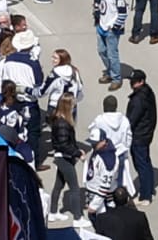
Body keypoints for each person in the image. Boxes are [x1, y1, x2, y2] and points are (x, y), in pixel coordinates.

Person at [48, 92, 86, 224]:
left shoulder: (60, 120)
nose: (74, 107)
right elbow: (64, 144)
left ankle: (53, 212)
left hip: (62, 157)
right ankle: (77, 218)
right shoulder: (62, 123)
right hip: (64, 158)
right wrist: (78, 153)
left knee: (58, 185)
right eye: (73, 105)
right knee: (74, 188)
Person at [125, 70, 157, 207]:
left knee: (141, 164)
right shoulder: (147, 91)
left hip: (139, 135)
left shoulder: (139, 99)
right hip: (146, 133)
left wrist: (124, 130)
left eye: (135, 82)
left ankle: (145, 196)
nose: (132, 84)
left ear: (141, 81)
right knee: (146, 162)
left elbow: (132, 119)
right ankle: (149, 189)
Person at [96, 0, 127, 90]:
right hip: (101, 25)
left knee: (112, 54)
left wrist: (114, 27)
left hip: (111, 29)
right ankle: (109, 71)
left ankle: (116, 78)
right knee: (101, 51)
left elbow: (123, 13)